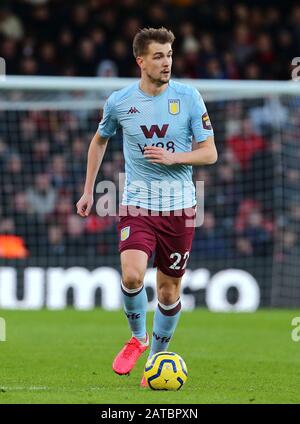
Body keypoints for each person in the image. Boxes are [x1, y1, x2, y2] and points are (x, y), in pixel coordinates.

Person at [76, 27, 217, 387]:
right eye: (158, 56)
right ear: (141, 61)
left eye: (169, 55)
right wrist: (88, 190)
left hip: (181, 207)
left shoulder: (189, 97)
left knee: (169, 291)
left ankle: (156, 354)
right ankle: (137, 337)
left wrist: (174, 158)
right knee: (132, 275)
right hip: (137, 203)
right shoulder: (120, 101)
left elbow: (210, 153)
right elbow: (99, 141)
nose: (166, 62)